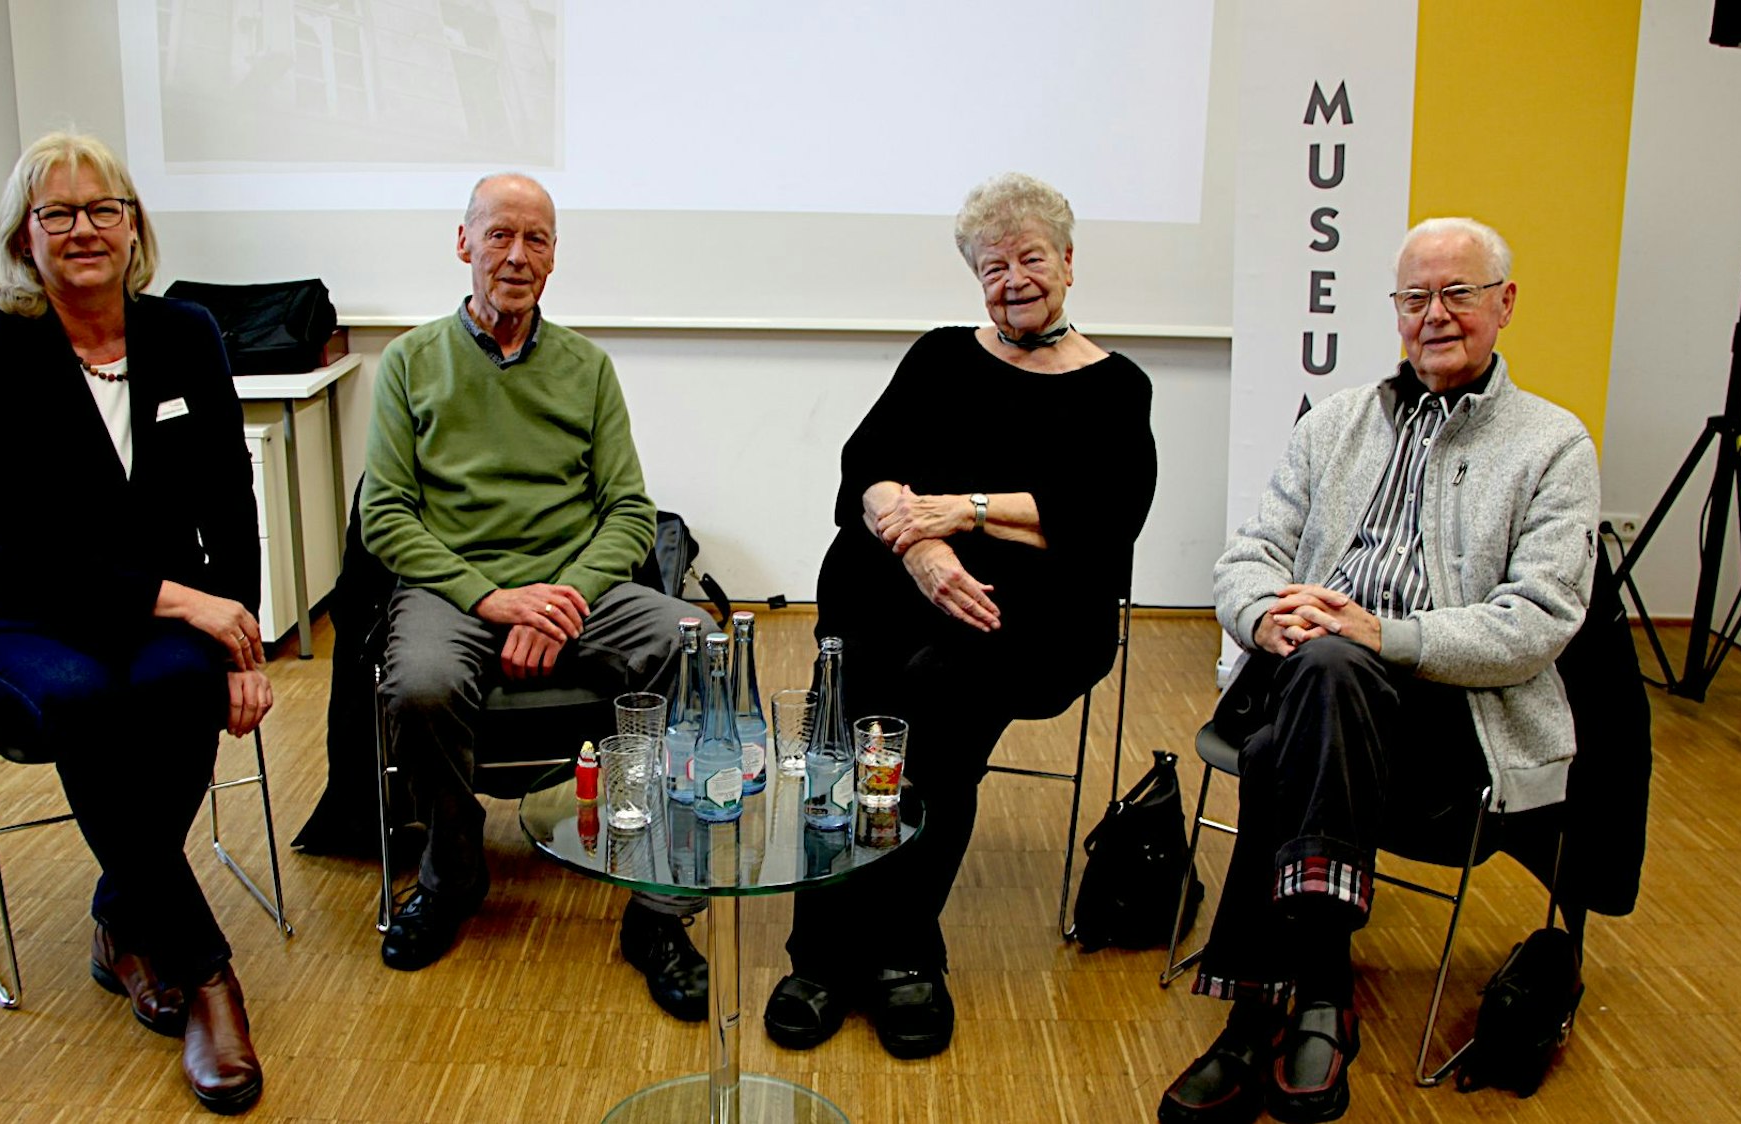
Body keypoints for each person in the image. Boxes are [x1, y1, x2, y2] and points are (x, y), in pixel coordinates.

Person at [1158, 217, 1600, 1124]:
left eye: (1457, 293)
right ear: (1394, 310)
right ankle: (1317, 1003)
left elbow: (1537, 622)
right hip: (1308, 675)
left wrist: (1384, 635)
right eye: (1413, 298)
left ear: (1504, 305)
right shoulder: (1336, 423)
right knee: (1322, 669)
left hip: (1452, 715)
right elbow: (1249, 555)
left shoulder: (1553, 445)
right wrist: (1266, 616)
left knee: (1309, 711)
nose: (1433, 315)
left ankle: (1256, 1011)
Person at [766, 172, 1156, 1059]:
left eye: (1029, 258)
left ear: (1066, 261)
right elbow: (864, 468)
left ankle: (905, 952)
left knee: (934, 703)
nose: (1013, 279)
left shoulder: (1115, 386)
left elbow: (1100, 519)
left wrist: (964, 511)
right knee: (850, 708)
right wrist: (918, 549)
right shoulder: (939, 355)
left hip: (1033, 616)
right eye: (992, 266)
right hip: (892, 589)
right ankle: (821, 953)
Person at [0, 132, 269, 1115]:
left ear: (134, 226)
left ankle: (125, 918)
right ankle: (206, 973)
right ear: (23, 239)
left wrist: (237, 634)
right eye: (57, 213)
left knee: (179, 682)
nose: (84, 229)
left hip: (147, 604)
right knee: (83, 699)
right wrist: (181, 599)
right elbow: (9, 544)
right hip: (6, 609)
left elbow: (226, 499)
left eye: (103, 208)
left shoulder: (186, 334)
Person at [361, 173, 711, 1019]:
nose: (516, 256)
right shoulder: (411, 361)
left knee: (695, 642)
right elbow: (384, 515)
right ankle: (452, 874)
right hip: (457, 588)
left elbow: (629, 511)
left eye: (537, 240)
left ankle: (656, 906)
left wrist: (564, 596)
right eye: (499, 235)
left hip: (571, 584)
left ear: (554, 257)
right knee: (420, 685)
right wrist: (494, 600)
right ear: (463, 244)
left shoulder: (586, 367)